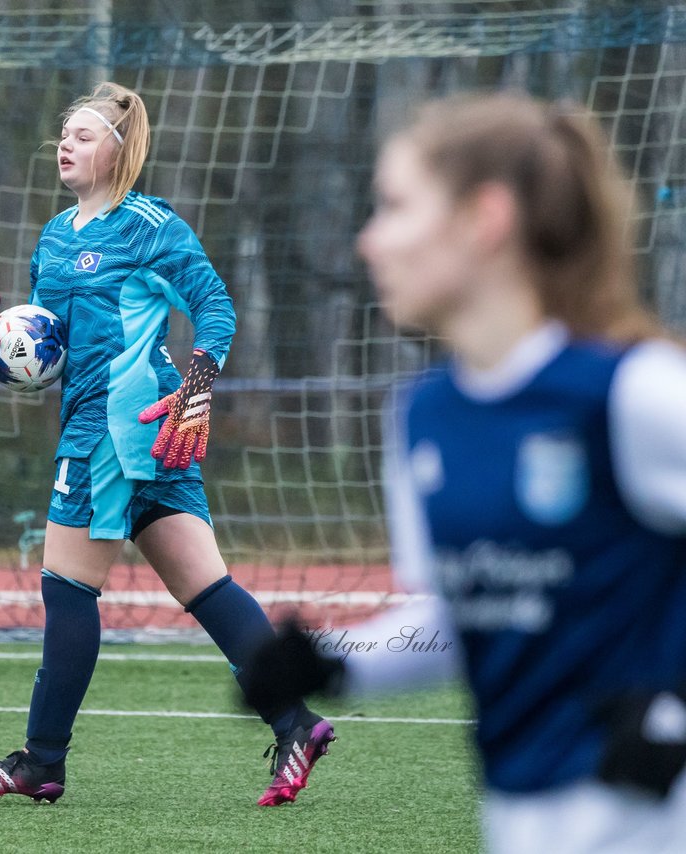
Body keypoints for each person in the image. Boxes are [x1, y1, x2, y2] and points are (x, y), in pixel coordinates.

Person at [239, 92, 686, 852]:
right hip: (518, 816)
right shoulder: (423, 416)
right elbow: (462, 615)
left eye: (394, 207)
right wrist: (333, 664)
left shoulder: (633, 392)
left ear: (486, 219)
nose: (367, 242)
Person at [0, 81, 335, 808]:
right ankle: (294, 721)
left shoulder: (149, 224)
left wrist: (199, 384)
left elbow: (215, 307)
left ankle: (42, 761)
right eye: (65, 132)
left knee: (67, 589)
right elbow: (56, 343)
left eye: (86, 134)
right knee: (207, 587)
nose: (67, 143)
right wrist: (3, 357)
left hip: (118, 429)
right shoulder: (56, 235)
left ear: (121, 151)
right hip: (135, 433)